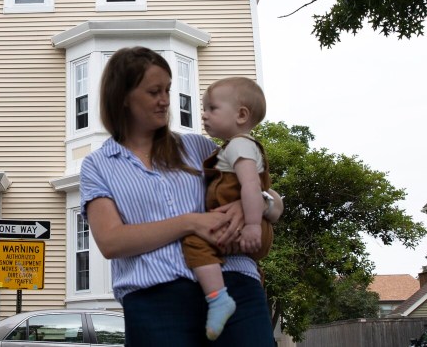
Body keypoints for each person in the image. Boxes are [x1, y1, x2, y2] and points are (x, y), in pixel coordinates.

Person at [80, 47, 282, 347]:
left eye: (168, 90)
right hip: (155, 301)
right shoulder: (98, 165)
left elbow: (274, 203)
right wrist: (191, 223)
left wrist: (251, 204)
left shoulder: (198, 148)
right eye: (153, 91)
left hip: (235, 285)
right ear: (122, 97)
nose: (165, 100)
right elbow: (111, 242)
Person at [182, 77, 274, 340]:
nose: (204, 115)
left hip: (246, 225)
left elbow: (250, 186)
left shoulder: (240, 146)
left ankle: (218, 298)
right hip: (248, 224)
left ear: (241, 114)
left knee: (193, 240)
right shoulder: (233, 147)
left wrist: (254, 225)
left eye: (212, 108)